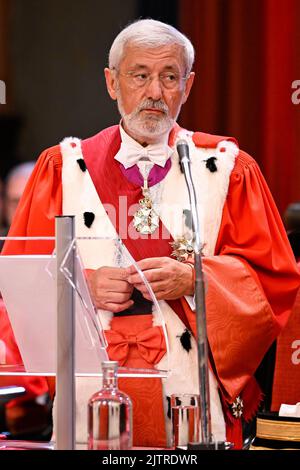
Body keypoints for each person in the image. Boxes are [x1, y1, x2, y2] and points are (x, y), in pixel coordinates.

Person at [1, 19, 300, 449]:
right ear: (111, 82)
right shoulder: (60, 169)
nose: (155, 92)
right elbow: (18, 291)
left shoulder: (229, 171)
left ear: (188, 85)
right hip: (90, 406)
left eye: (169, 77)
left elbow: (274, 283)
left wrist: (196, 279)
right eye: (140, 75)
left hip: (193, 406)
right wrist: (83, 288)